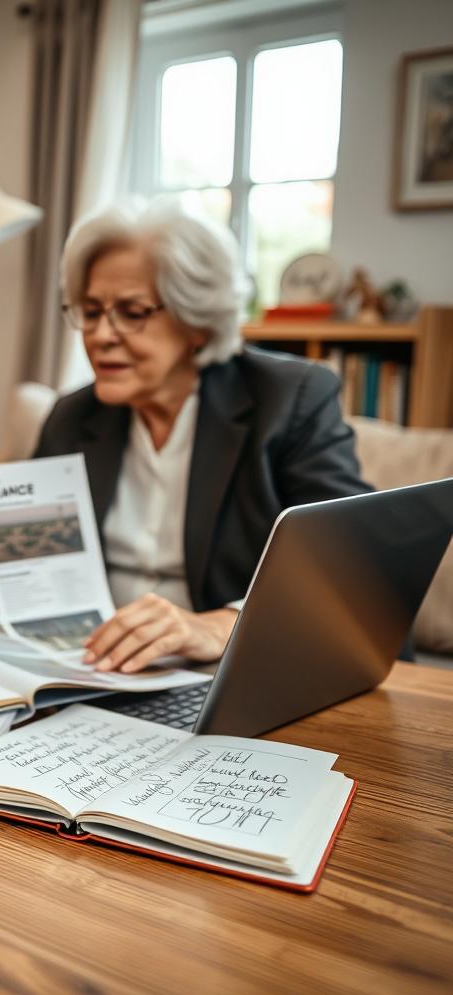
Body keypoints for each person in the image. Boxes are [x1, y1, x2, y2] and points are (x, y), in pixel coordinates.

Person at [33, 197, 369, 673]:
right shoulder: (72, 416)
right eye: (90, 311)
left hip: (237, 672)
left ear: (196, 320)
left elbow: (355, 574)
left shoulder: (288, 400)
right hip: (93, 673)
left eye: (131, 311)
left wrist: (220, 625)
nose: (100, 335)